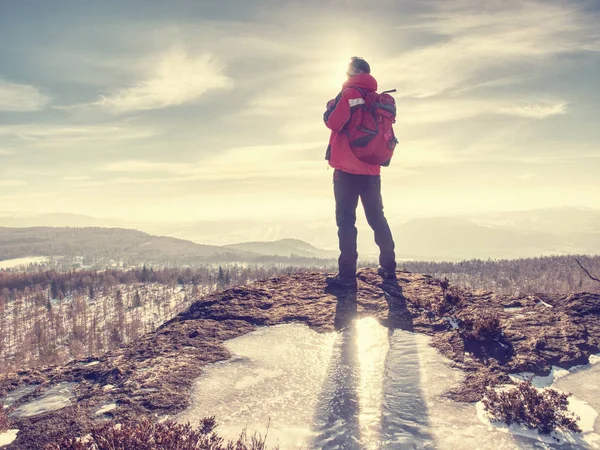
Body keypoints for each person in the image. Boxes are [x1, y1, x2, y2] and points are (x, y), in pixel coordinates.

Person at [323, 57, 401, 295]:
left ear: (352, 73)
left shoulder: (347, 95)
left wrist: (332, 103)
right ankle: (388, 269)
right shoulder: (378, 99)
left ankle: (347, 277)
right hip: (371, 171)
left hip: (346, 171)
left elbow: (332, 121)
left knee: (347, 222)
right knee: (377, 218)